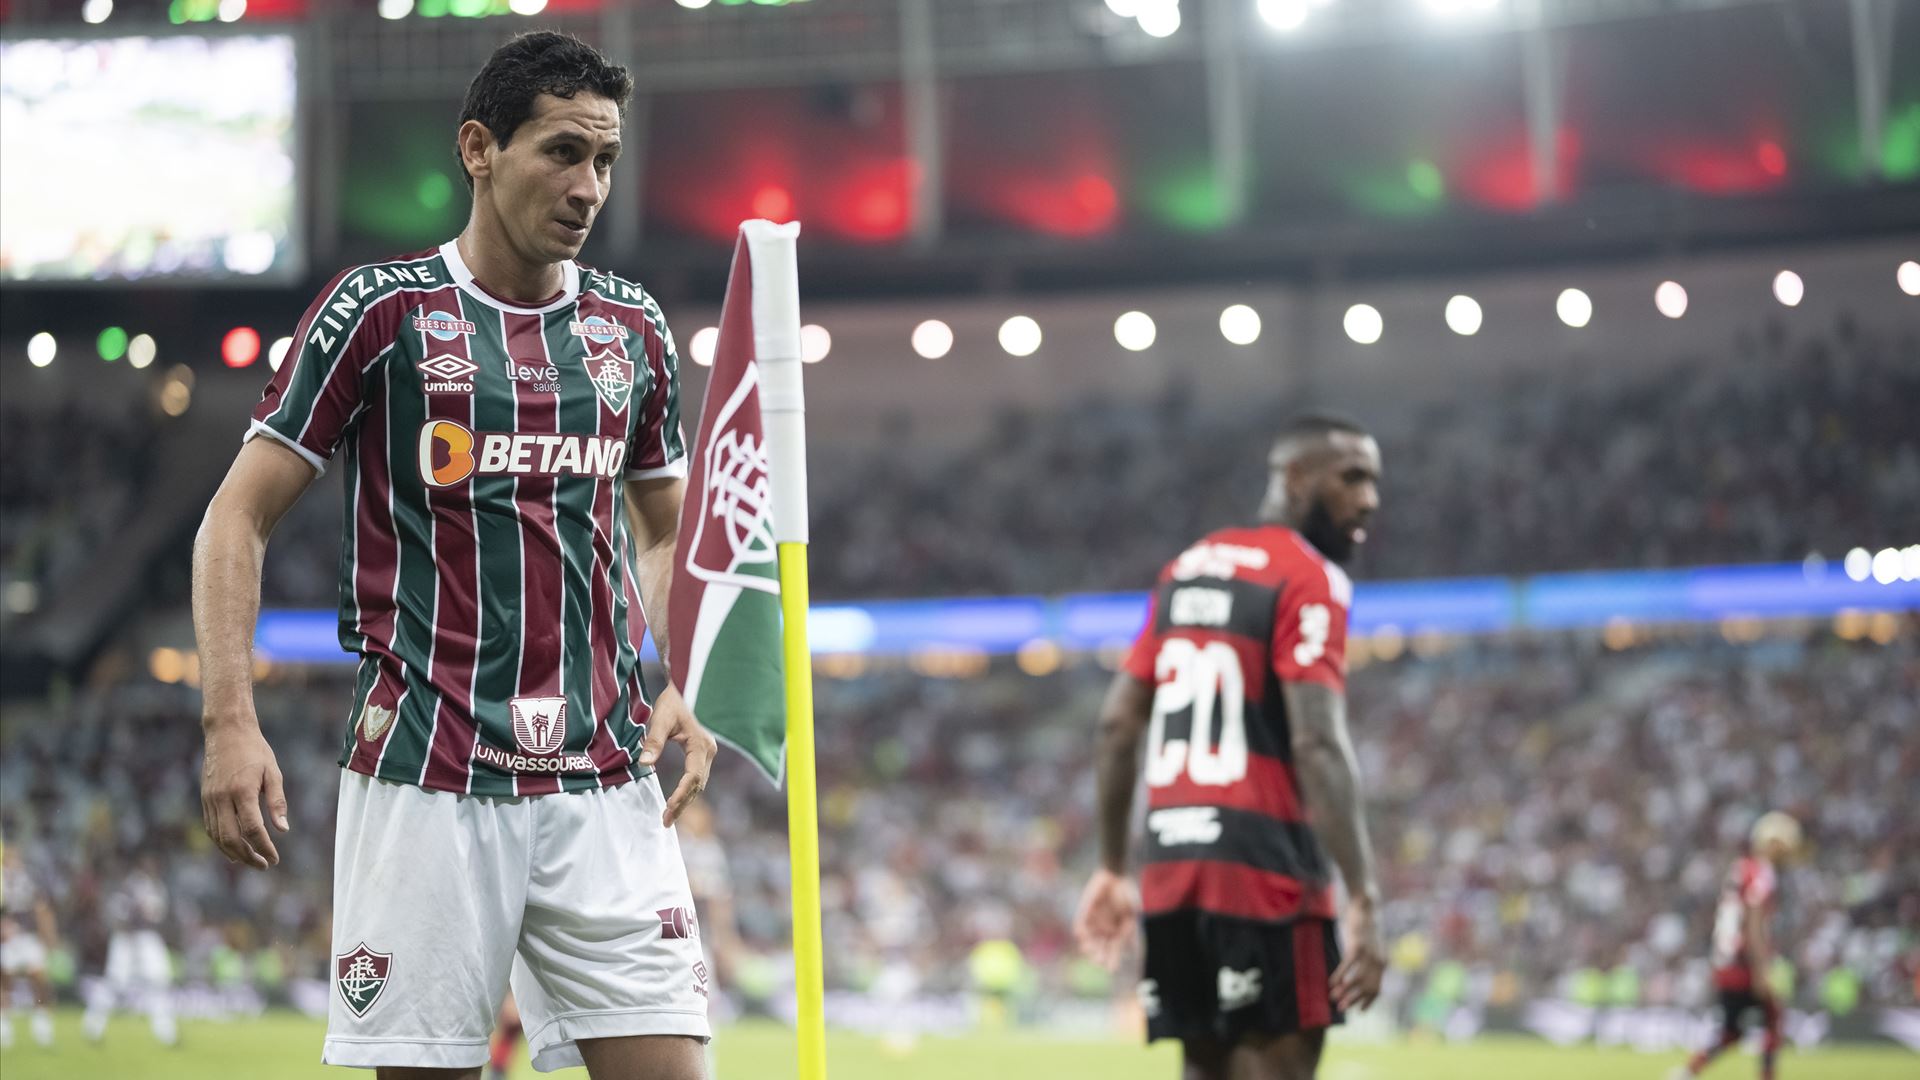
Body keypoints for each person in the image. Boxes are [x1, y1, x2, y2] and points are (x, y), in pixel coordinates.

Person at [191, 31, 718, 1079]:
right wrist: (228, 720)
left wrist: (690, 676)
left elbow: (663, 529)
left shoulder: (632, 329)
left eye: (605, 159)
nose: (588, 186)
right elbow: (233, 520)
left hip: (606, 775)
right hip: (428, 776)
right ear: (479, 148)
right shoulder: (379, 312)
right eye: (562, 152)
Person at [1073, 413, 1388, 1080]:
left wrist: (1112, 866)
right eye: (1352, 478)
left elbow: (1117, 724)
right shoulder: (1308, 576)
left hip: (1172, 870)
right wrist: (1363, 896)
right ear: (1295, 477)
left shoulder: (1187, 569)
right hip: (1263, 870)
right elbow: (1317, 741)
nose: (1369, 500)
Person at [1674, 811, 1802, 1080]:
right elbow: (1754, 921)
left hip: (1726, 960)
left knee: (1732, 1030)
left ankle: (1687, 1072)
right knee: (1773, 1019)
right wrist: (1761, 968)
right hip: (1743, 962)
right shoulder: (1761, 873)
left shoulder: (1741, 868)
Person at [81, 859, 178, 1047]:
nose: (153, 867)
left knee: (159, 982)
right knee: (115, 985)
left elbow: (157, 916)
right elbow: (119, 915)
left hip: (147, 937)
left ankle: (166, 1032)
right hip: (127, 939)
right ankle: (92, 1027)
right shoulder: (131, 886)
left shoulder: (156, 886)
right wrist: (129, 936)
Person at [0, 844, 57, 1050]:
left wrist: (48, 935)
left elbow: (41, 908)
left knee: (39, 979)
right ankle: (4, 1027)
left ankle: (42, 1025)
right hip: (7, 940)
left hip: (29, 936)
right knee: (5, 981)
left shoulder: (29, 878)